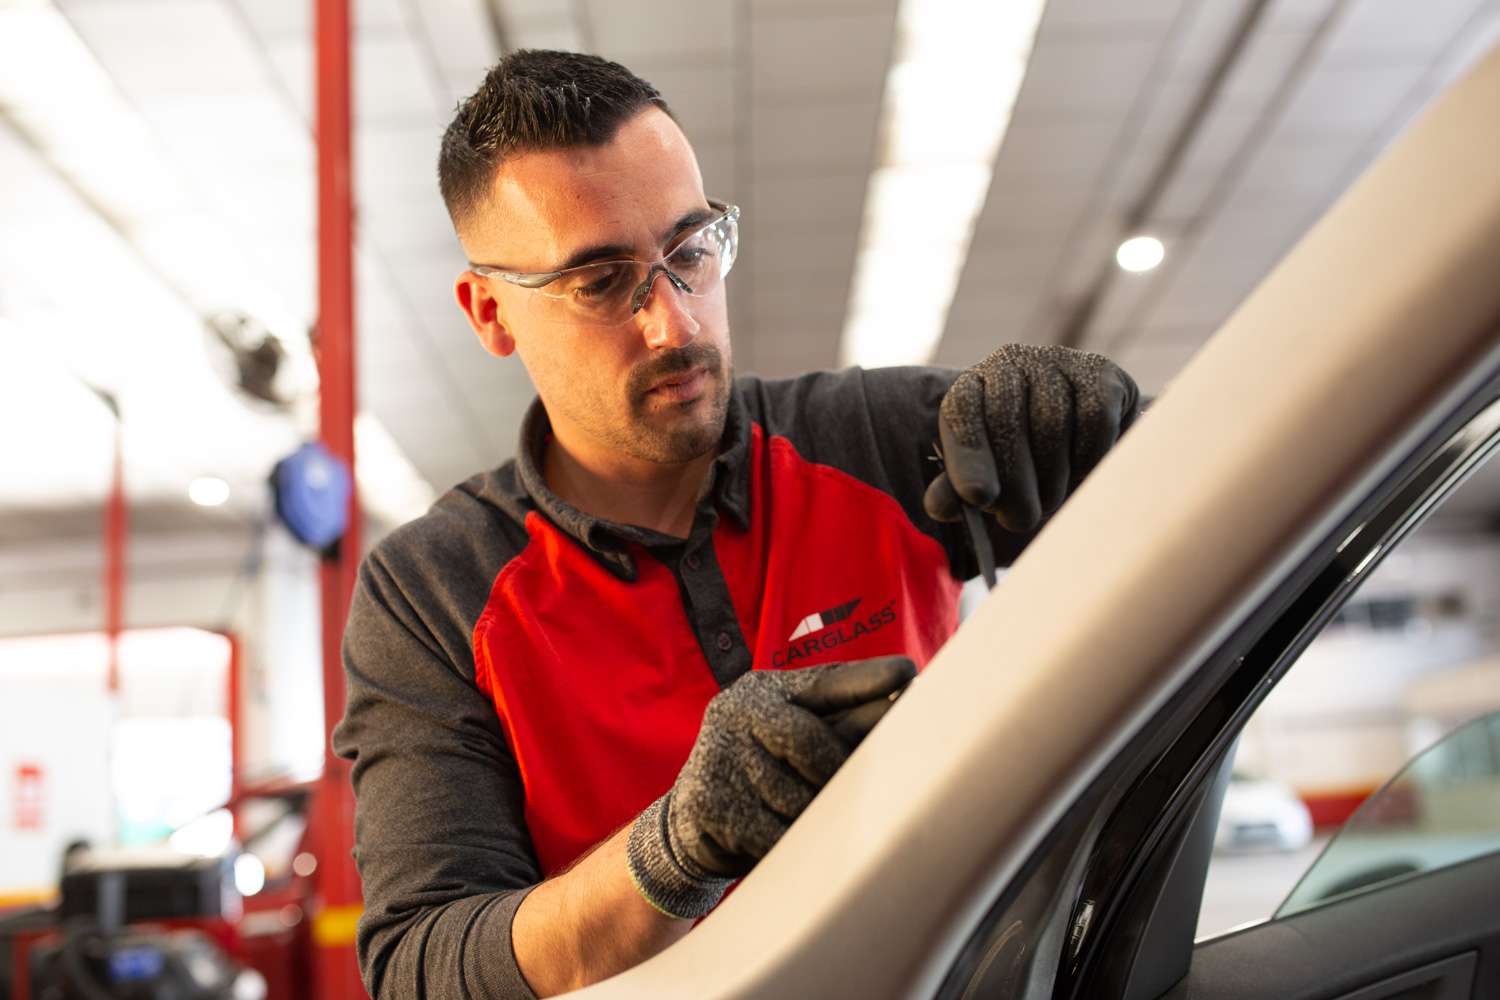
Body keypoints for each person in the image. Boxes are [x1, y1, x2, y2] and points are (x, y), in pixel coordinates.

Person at [333, 49, 1141, 1000]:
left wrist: (1110, 426)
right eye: (600, 283)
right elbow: (422, 966)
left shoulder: (873, 442)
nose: (675, 325)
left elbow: (1220, 493)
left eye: (690, 249)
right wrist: (670, 853)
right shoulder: (434, 592)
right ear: (489, 312)